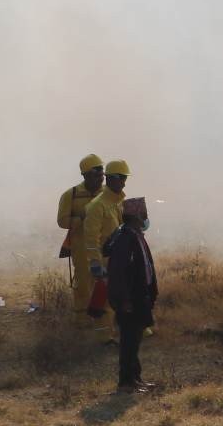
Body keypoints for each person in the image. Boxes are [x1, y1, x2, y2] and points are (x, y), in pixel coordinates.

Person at [104, 196, 158, 392]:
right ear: (136, 215)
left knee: (134, 340)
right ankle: (126, 382)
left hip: (138, 297)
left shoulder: (134, 235)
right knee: (129, 341)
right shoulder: (125, 238)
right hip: (130, 299)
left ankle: (135, 378)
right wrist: (125, 300)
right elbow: (118, 272)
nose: (146, 218)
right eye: (144, 214)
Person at [83, 159, 132, 341]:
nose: (124, 182)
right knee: (103, 299)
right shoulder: (97, 206)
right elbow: (91, 239)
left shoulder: (119, 202)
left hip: (120, 258)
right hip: (105, 260)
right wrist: (95, 263)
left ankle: (128, 329)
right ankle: (104, 337)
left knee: (124, 295)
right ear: (110, 179)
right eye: (121, 178)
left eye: (125, 178)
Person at [57, 154, 106, 328]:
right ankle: (82, 320)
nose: (99, 179)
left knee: (105, 282)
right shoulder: (71, 195)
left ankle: (103, 319)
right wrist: (82, 217)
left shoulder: (107, 194)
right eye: (95, 175)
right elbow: (62, 221)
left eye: (101, 175)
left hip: (105, 246)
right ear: (85, 175)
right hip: (81, 248)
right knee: (84, 282)